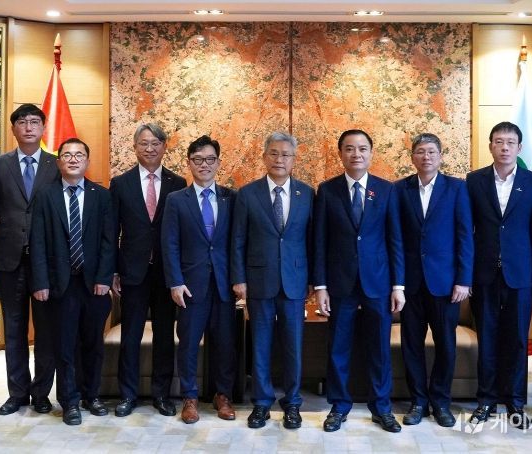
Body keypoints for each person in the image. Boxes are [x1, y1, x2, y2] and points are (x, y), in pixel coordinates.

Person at [313, 129, 404, 433]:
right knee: (338, 348)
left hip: (378, 283)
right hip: (340, 284)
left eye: (362, 149)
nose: (356, 154)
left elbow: (395, 240)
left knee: (380, 348)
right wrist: (321, 286)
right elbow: (320, 241)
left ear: (371, 153)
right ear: (340, 154)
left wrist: (398, 286)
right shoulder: (327, 190)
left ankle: (382, 407)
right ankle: (339, 406)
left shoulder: (386, 190)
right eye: (350, 149)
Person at [0, 104, 60, 415]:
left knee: (46, 331)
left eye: (34, 122)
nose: (28, 127)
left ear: (43, 128)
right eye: (22, 122)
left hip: (46, 262)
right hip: (8, 259)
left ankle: (41, 393)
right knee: (13, 329)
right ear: (13, 129)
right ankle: (17, 393)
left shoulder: (56, 164)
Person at [466, 121, 532, 429]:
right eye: (498, 141)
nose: (504, 147)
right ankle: (486, 400)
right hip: (484, 272)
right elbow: (467, 232)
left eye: (510, 142)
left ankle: (515, 401)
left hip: (520, 274)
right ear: (490, 146)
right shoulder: (474, 181)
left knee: (517, 339)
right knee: (487, 337)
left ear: (519, 148)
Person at [30, 138, 116, 425]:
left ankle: (92, 395)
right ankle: (69, 401)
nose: (73, 159)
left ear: (87, 161)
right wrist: (40, 281)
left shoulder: (101, 196)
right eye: (67, 155)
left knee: (93, 343)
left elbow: (109, 241)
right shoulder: (45, 195)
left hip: (94, 285)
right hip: (60, 285)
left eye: (79, 155)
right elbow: (38, 241)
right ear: (59, 162)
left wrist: (104, 278)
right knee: (64, 346)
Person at [231, 131, 314, 429]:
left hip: (295, 281)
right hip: (259, 281)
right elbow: (238, 240)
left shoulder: (307, 194)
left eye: (286, 155)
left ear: (294, 159)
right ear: (264, 157)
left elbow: (312, 240)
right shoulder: (247, 194)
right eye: (274, 154)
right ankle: (262, 403)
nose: (280, 159)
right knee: (261, 345)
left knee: (294, 346)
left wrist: (314, 280)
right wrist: (239, 278)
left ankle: (292, 403)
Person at [394, 133, 473, 427]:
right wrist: (397, 284)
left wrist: (463, 280)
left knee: (446, 345)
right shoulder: (399, 189)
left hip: (446, 284)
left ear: (440, 156)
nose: (425, 157)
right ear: (412, 157)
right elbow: (396, 240)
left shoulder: (456, 188)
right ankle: (418, 401)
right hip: (411, 284)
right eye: (420, 152)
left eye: (431, 152)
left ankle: (440, 402)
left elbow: (465, 237)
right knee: (411, 345)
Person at [110, 123, 186, 418]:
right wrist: (114, 271)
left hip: (166, 273)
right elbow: (111, 231)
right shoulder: (121, 183)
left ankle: (161, 394)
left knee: (165, 335)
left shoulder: (178, 183)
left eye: (155, 143)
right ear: (135, 147)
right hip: (132, 271)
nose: (150, 148)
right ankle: (128, 395)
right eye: (144, 143)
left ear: (165, 146)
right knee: (130, 334)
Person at [161, 135, 237, 424]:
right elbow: (170, 243)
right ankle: (189, 397)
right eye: (198, 160)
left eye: (209, 159)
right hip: (190, 286)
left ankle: (223, 395)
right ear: (189, 163)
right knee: (189, 343)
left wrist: (239, 279)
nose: (204, 164)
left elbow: (238, 242)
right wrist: (175, 281)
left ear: (218, 162)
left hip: (224, 284)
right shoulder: (176, 200)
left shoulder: (232, 198)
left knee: (225, 344)